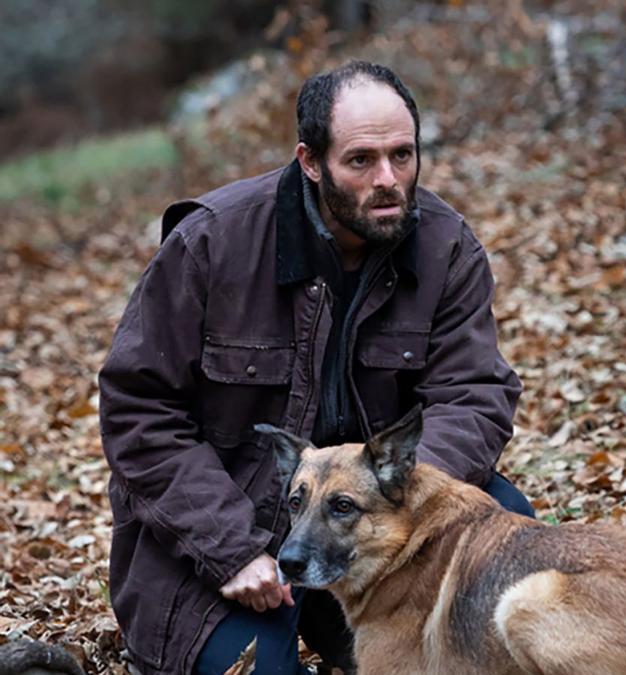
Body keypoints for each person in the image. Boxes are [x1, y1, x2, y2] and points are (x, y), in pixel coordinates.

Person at [99, 61, 529, 675]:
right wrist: (230, 551)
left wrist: (402, 504)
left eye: (403, 155)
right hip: (232, 527)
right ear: (310, 161)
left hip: (373, 518)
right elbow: (139, 413)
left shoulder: (447, 247)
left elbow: (474, 393)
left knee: (511, 552)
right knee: (253, 668)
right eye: (361, 160)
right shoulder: (211, 244)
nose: (388, 179)